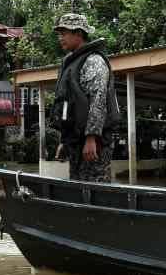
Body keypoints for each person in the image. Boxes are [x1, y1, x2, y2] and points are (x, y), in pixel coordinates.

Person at [50, 13, 122, 182]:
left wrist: (91, 138)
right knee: (77, 188)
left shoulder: (94, 61)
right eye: (59, 34)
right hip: (75, 141)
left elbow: (98, 101)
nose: (60, 38)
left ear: (78, 33)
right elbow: (67, 106)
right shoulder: (70, 62)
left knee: (95, 188)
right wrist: (64, 141)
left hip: (94, 142)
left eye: (64, 33)